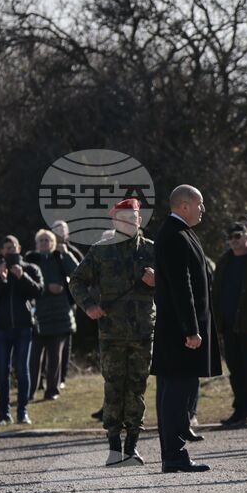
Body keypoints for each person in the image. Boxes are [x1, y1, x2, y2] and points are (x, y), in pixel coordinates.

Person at [70, 199, 156, 466]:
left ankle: (132, 447)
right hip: (112, 332)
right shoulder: (101, 251)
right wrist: (89, 306)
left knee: (137, 388)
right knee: (113, 387)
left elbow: (175, 286)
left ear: (140, 220)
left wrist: (157, 281)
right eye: (125, 219)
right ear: (115, 221)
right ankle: (114, 448)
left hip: (143, 331)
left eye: (134, 218)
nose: (131, 223)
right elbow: (76, 280)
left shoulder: (152, 250)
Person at [152, 185, 221, 473]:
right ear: (184, 206)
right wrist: (191, 329)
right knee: (176, 394)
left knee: (177, 391)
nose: (203, 209)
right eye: (199, 203)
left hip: (179, 328)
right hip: (179, 331)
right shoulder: (174, 235)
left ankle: (174, 453)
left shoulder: (181, 232)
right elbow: (182, 287)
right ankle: (174, 454)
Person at [0, 235, 44, 425]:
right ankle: (3, 414)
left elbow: (38, 291)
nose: (10, 251)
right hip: (2, 328)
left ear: (19, 249)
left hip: (23, 326)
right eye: (6, 248)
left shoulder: (31, 269)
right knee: (3, 371)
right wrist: (1, 279)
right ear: (1, 251)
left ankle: (22, 412)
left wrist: (22, 276)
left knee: (22, 369)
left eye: (13, 247)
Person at [212, 222, 247, 427]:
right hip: (228, 325)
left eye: (238, 236)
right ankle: (239, 410)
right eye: (230, 237)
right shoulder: (224, 261)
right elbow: (216, 293)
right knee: (235, 369)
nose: (234, 240)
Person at [25, 229, 78, 402]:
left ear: (53, 243)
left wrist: (66, 254)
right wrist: (48, 287)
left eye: (47, 240)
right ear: (36, 244)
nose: (44, 243)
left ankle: (52, 390)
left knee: (55, 357)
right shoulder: (31, 260)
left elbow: (78, 272)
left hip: (60, 314)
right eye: (41, 240)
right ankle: (30, 391)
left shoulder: (60, 258)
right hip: (38, 315)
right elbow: (26, 284)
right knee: (34, 358)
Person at [51, 220, 84, 391]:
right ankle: (46, 378)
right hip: (48, 304)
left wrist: (66, 254)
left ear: (67, 234)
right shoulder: (46, 250)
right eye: (56, 231)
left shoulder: (73, 252)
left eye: (62, 231)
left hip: (69, 302)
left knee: (65, 340)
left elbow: (83, 272)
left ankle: (62, 377)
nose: (59, 234)